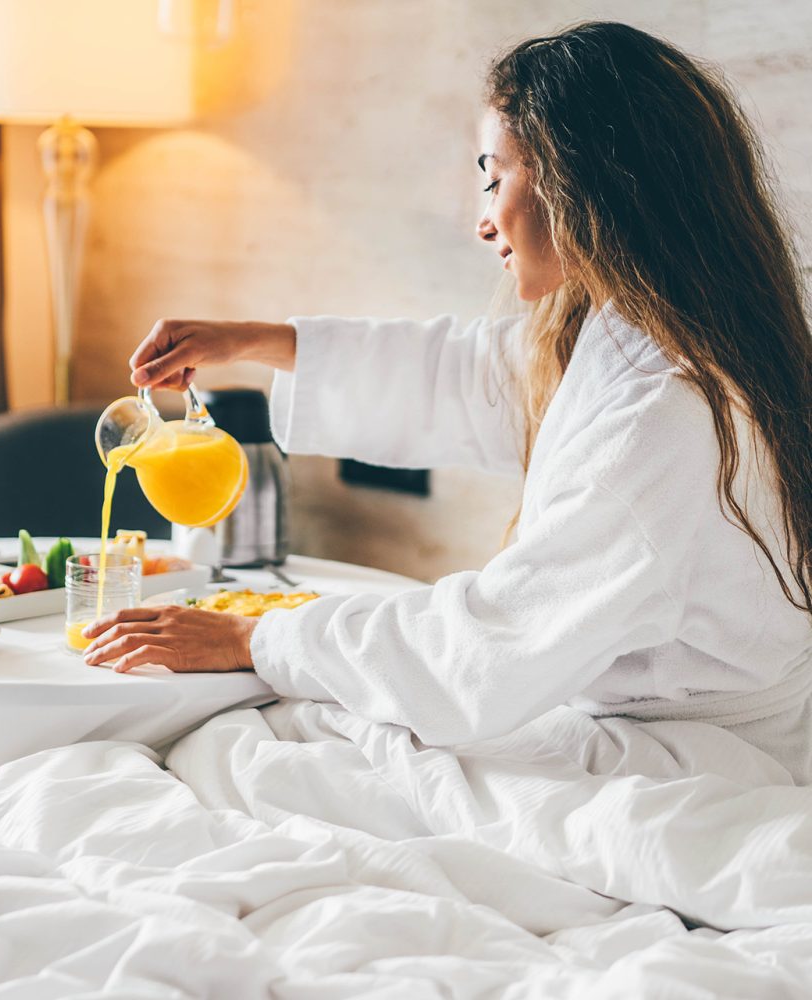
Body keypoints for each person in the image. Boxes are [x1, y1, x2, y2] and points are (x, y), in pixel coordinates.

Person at [81, 21, 812, 780]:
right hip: (639, 729)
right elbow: (473, 375)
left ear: (587, 181)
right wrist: (255, 343)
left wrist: (256, 641)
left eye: (496, 177)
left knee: (240, 756)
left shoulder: (665, 414)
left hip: (692, 765)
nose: (483, 218)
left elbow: (491, 650)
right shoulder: (638, 334)